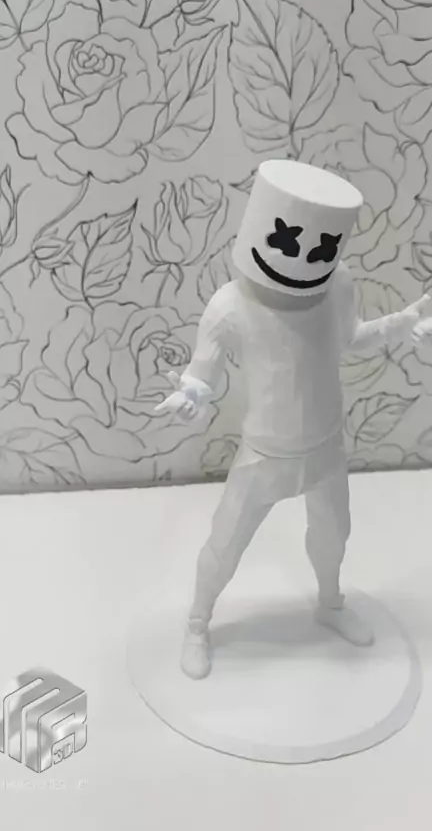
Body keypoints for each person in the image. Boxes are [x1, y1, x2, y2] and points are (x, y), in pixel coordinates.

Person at [155, 160, 431, 680]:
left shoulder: (338, 285)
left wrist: (405, 322)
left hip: (326, 447)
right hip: (264, 454)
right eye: (286, 241)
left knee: (334, 534)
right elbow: (201, 376)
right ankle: (197, 623)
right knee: (226, 543)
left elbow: (352, 338)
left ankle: (330, 603)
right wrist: (190, 398)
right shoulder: (229, 306)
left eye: (320, 248)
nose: (302, 257)